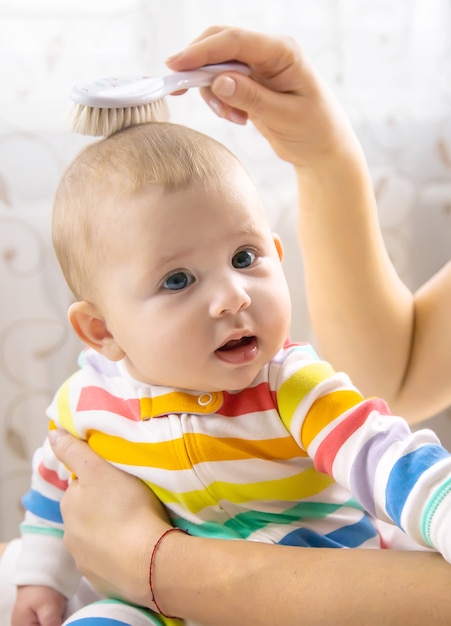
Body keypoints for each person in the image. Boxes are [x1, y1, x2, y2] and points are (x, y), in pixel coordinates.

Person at [5, 114, 451, 625]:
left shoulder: (292, 386)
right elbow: (58, 485)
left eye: (244, 257)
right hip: (157, 606)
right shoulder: (86, 400)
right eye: (177, 280)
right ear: (102, 330)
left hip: (310, 594)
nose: (233, 297)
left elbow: (387, 456)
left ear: (278, 257)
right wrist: (42, 577)